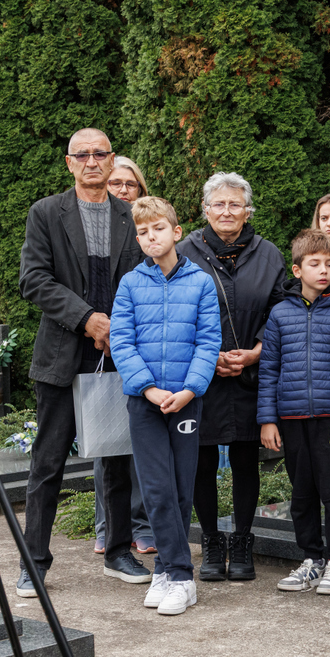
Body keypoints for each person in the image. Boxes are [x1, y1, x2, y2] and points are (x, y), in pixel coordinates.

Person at [17, 128, 150, 596]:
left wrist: (120, 330)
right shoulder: (46, 213)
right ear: (69, 163)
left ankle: (117, 552)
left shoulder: (130, 216)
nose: (92, 161)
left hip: (118, 353)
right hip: (62, 353)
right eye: (83, 155)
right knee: (48, 462)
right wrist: (87, 318)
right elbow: (34, 279)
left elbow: (146, 279)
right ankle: (34, 562)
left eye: (100, 154)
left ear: (112, 160)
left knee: (117, 459)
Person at [111, 196, 222, 615]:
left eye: (158, 228)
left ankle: (167, 570)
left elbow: (208, 342)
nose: (150, 237)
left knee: (179, 489)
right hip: (146, 403)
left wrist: (190, 390)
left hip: (185, 402)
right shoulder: (130, 284)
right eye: (142, 232)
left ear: (176, 232)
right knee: (156, 488)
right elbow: (122, 341)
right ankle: (180, 575)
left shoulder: (200, 283)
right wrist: (148, 389)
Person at [177, 172, 286, 582]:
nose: (227, 211)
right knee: (201, 461)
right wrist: (207, 358)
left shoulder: (268, 254)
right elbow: (171, 311)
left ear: (247, 211)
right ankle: (210, 540)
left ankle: (241, 541)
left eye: (235, 204)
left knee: (245, 460)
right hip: (198, 376)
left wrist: (257, 350)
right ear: (205, 210)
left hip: (249, 376)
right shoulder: (183, 253)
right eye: (219, 204)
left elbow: (281, 310)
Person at [258, 229, 330, 595]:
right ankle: (311, 559)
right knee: (301, 492)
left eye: (329, 264)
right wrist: (267, 419)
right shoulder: (279, 315)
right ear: (297, 269)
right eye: (315, 264)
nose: (323, 271)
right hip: (291, 419)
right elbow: (269, 370)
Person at [93, 155, 154, 555]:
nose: (123, 190)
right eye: (116, 183)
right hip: (103, 344)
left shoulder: (151, 230)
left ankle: (141, 524)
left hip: (145, 348)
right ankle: (106, 525)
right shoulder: (94, 230)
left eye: (131, 184)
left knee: (141, 443)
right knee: (107, 441)